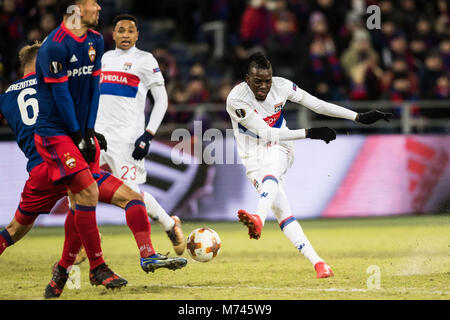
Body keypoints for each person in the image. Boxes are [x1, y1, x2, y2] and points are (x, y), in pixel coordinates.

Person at [0, 42, 187, 298]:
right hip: (67, 160)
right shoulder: (52, 84)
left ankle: (68, 272)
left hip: (40, 172)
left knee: (13, 230)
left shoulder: (7, 97)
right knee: (113, 200)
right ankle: (102, 264)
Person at [226, 52, 392, 278]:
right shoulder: (236, 99)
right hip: (252, 158)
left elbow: (317, 104)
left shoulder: (282, 86)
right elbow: (265, 132)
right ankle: (320, 264)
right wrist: (310, 133)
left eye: (268, 81)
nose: (264, 86)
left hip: (281, 144)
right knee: (283, 211)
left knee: (273, 165)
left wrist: (359, 117)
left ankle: (258, 218)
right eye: (258, 82)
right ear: (247, 79)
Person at [95, 14, 186, 255]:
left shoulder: (145, 60)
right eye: (121, 30)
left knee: (132, 197)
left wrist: (148, 134)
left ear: (137, 35)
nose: (125, 35)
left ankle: (168, 224)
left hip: (127, 141)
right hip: (98, 137)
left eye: (130, 31)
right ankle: (87, 240)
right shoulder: (104, 59)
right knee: (79, 186)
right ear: (113, 34)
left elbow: (162, 100)